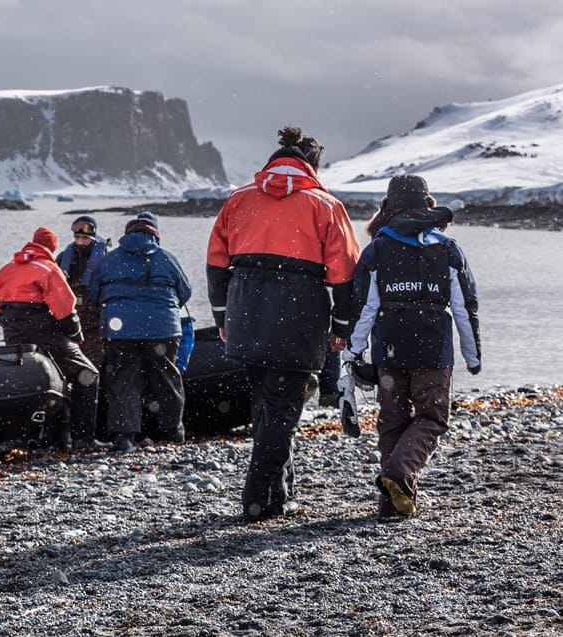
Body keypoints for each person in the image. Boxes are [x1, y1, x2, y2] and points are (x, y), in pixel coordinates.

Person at [207, 125, 360, 521]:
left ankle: (278, 491)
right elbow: (345, 273)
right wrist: (342, 326)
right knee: (283, 409)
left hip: (245, 311)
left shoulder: (238, 200)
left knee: (266, 404)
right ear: (313, 166)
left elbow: (216, 264)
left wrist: (222, 317)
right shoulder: (325, 206)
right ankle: (259, 496)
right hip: (300, 313)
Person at [347, 174, 481, 518]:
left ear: (389, 206)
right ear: (428, 203)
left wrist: (354, 349)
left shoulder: (377, 248)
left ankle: (393, 504)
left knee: (392, 421)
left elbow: (366, 306)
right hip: (433, 350)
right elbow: (464, 307)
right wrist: (472, 355)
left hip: (389, 348)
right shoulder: (447, 248)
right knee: (432, 418)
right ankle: (398, 475)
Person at [0, 227, 106, 450]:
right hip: (47, 336)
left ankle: (47, 436)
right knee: (88, 375)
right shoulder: (49, 268)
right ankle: (83, 438)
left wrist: (15, 331)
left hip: (17, 343)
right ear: (52, 247)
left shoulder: (6, 270)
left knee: (46, 381)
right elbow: (65, 310)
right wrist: (76, 335)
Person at [90, 212, 191, 452]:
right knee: (167, 380)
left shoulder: (109, 259)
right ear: (155, 234)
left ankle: (125, 437)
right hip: (163, 329)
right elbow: (185, 291)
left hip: (120, 330)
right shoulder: (167, 259)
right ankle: (172, 432)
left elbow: (94, 293)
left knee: (123, 382)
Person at [57, 215, 111, 366]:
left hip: (95, 318)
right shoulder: (64, 257)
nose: (80, 242)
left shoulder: (105, 258)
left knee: (94, 361)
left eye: (85, 238)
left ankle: (97, 387)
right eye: (77, 237)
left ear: (93, 238)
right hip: (71, 316)